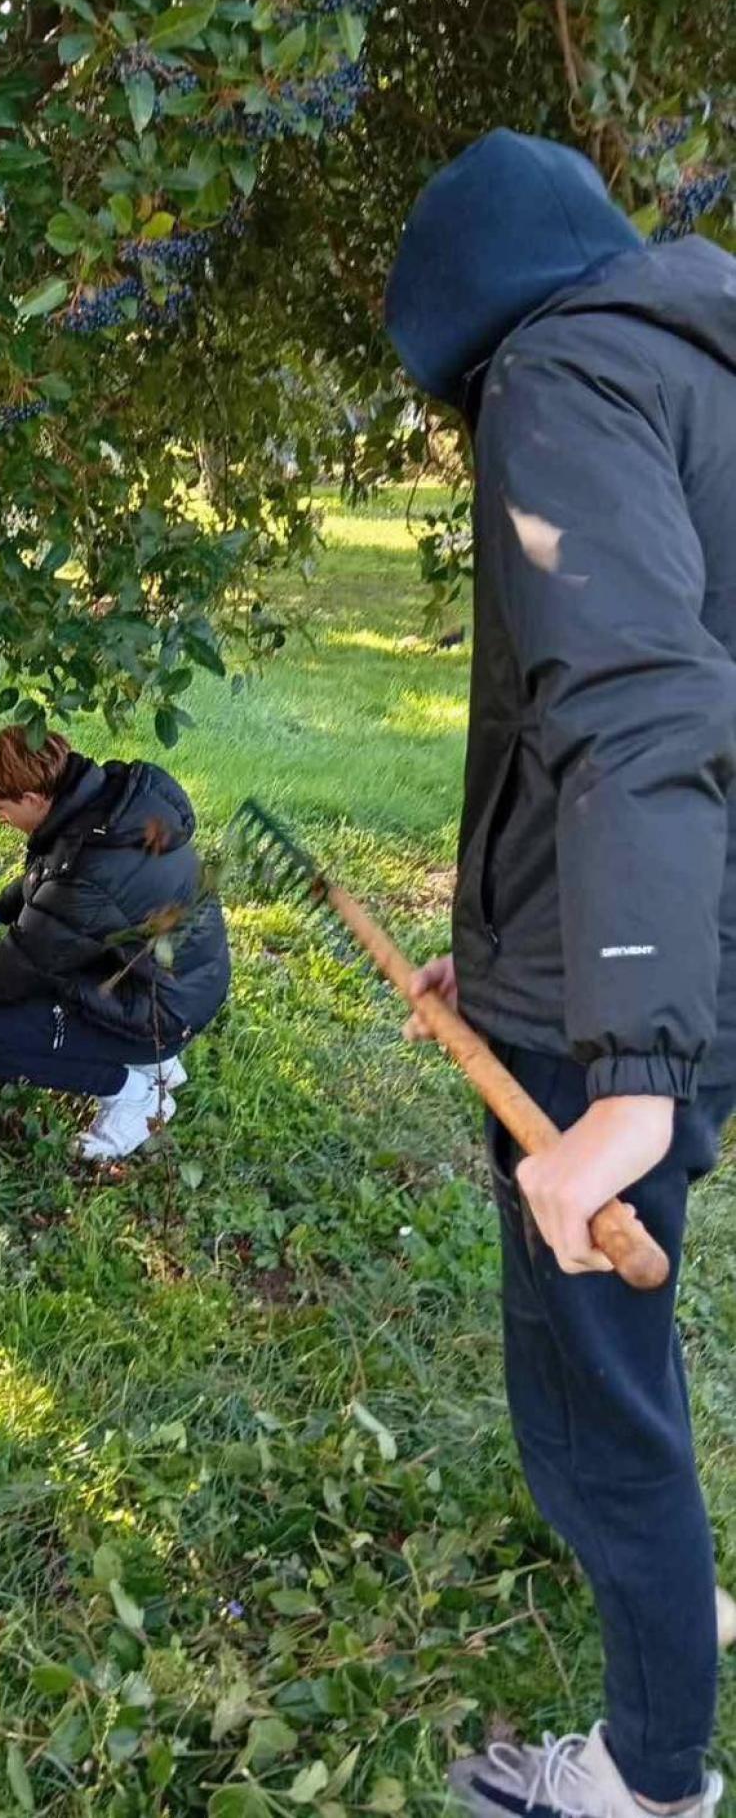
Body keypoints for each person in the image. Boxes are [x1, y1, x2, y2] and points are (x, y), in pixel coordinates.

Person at [385, 129, 736, 1817]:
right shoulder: (701, 362)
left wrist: (632, 1072)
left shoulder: (557, 370)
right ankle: (683, 1615)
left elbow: (639, 703)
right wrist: (502, 936)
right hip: (676, 951)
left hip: (630, 1009)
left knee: (591, 1388)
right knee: (629, 1354)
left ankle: (650, 1765)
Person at [0, 727, 230, 1159]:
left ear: (34, 799)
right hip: (177, 983)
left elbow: (22, 961)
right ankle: (152, 1062)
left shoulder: (90, 866)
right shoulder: (107, 806)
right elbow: (54, 877)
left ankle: (136, 1094)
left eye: (2, 808)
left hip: (160, 1012)